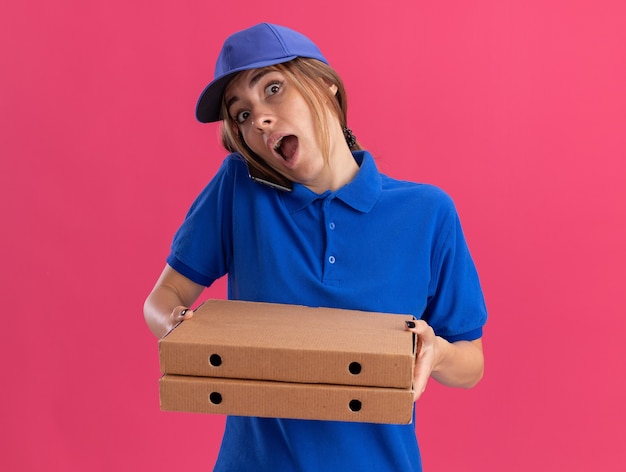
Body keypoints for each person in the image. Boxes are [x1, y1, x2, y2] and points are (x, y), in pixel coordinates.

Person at [144, 22, 487, 471]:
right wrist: (180, 328)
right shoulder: (238, 191)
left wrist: (436, 352)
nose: (260, 118)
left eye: (273, 89)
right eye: (242, 114)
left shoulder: (427, 213)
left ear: (325, 86)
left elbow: (472, 364)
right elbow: (161, 301)